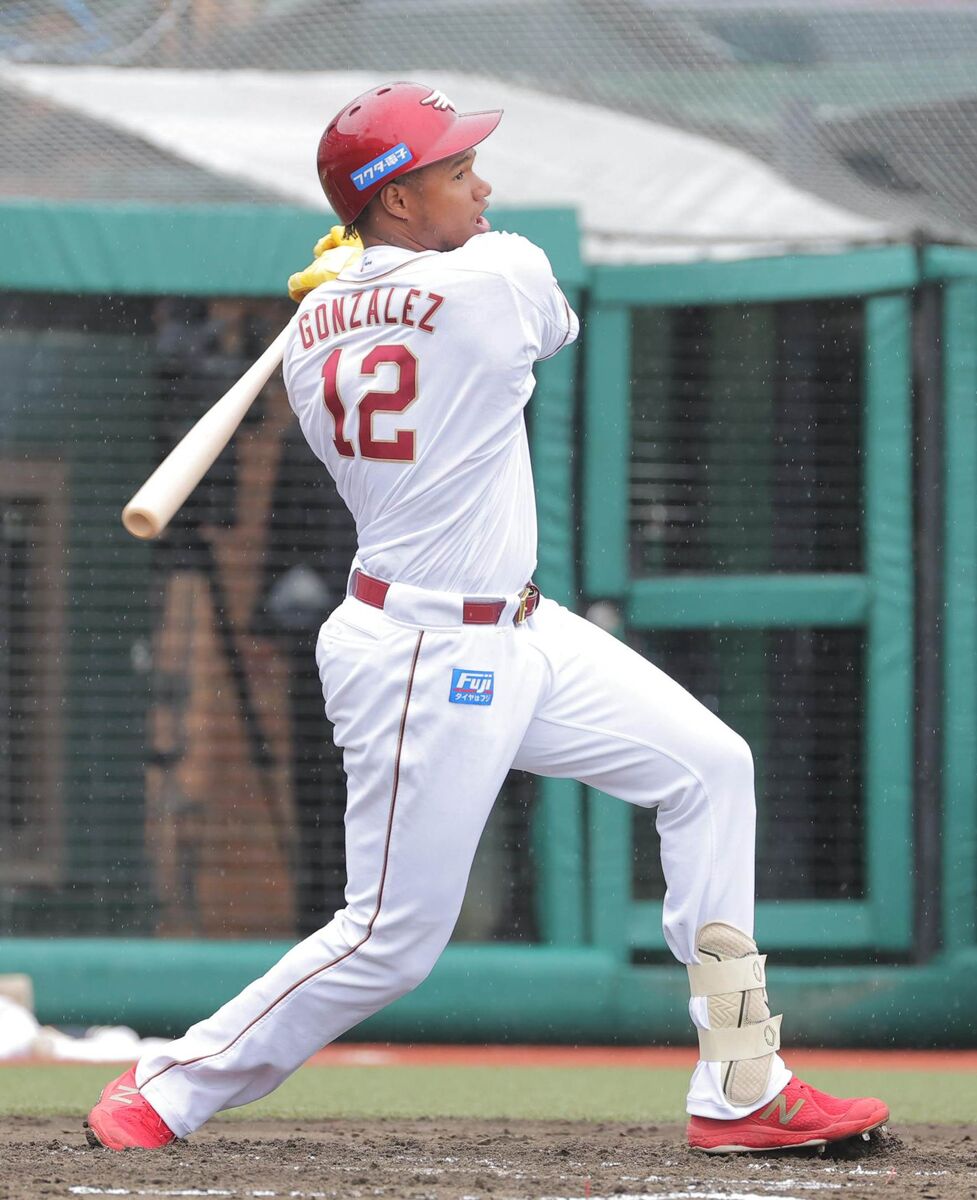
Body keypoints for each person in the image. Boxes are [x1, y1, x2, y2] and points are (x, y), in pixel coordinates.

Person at [86, 81, 888, 1155]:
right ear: (395, 200)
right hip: (423, 650)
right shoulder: (497, 278)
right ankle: (165, 1085)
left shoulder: (312, 328)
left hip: (516, 627)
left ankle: (740, 1081)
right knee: (391, 938)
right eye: (456, 173)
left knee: (710, 767)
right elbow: (533, 311)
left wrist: (360, 282)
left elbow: (403, 311)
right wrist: (384, 275)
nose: (484, 188)